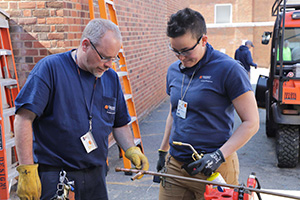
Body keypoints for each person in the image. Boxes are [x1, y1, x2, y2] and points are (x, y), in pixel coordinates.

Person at [14, 18, 149, 200]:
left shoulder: (111, 78)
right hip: (57, 177)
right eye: (105, 57)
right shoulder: (50, 69)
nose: (110, 64)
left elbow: (119, 123)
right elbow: (23, 118)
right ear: (85, 45)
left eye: (113, 58)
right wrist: (26, 170)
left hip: (96, 176)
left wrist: (131, 149)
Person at [156, 8, 259, 200]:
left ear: (203, 40)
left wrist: (219, 155)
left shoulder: (229, 69)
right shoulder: (173, 70)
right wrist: (163, 151)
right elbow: (174, 112)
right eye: (175, 51)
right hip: (176, 167)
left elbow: (251, 123)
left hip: (216, 169)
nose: (181, 57)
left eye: (186, 50)